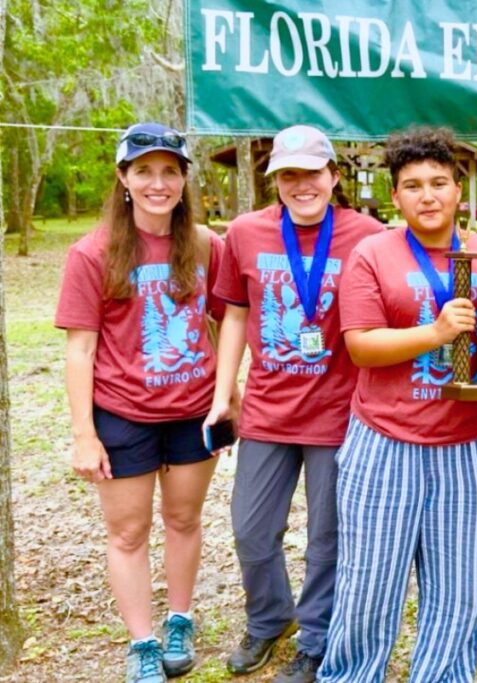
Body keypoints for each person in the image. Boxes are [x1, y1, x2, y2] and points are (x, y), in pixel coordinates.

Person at [317, 127, 477, 682]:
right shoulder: (372, 253)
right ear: (395, 195)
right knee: (368, 582)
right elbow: (360, 346)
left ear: (459, 189)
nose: (428, 196)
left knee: (460, 587)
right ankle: (352, 675)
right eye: (412, 185)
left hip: (471, 446)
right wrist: (435, 332)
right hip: (385, 443)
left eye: (439, 182)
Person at [204, 125, 383, 683]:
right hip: (267, 411)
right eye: (288, 175)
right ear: (274, 180)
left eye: (311, 173)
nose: (301, 185)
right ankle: (268, 620)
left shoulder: (368, 236)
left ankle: (317, 638)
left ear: (334, 176)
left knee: (327, 536)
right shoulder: (246, 232)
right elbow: (233, 312)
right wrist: (221, 393)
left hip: (339, 412)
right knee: (251, 530)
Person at [56, 122, 225, 683]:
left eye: (170, 172)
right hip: (123, 414)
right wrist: (85, 432)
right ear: (124, 178)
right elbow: (80, 348)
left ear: (183, 181)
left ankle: (180, 618)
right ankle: (142, 642)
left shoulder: (204, 245)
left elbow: (229, 321)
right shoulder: (93, 252)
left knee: (183, 518)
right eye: (145, 171)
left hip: (193, 411)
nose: (158, 183)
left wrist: (228, 390)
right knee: (127, 532)